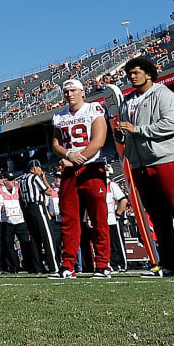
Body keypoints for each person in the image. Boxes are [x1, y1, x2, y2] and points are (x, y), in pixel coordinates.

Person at [114, 56, 174, 278]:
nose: (132, 76)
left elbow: (171, 124)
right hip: (139, 163)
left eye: (136, 72)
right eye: (129, 73)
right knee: (157, 217)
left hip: (167, 159)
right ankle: (170, 262)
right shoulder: (127, 102)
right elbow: (124, 135)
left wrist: (137, 129)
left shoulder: (163, 94)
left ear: (149, 73)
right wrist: (120, 135)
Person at [49, 80, 110, 278]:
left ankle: (103, 264)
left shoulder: (93, 109)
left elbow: (99, 141)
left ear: (82, 92)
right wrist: (68, 155)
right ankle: (68, 265)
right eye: (66, 91)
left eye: (73, 90)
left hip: (92, 168)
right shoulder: (59, 116)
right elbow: (56, 145)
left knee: (98, 217)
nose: (69, 94)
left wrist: (77, 159)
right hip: (70, 170)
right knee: (69, 220)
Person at [19, 160, 59, 276]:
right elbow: (48, 192)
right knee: (47, 237)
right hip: (37, 207)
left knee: (35, 239)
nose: (41, 170)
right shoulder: (35, 178)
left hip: (27, 209)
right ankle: (54, 267)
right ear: (35, 168)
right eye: (40, 168)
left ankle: (38, 267)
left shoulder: (22, 180)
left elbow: (20, 198)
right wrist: (44, 179)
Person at [103, 168, 130, 271]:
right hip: (104, 220)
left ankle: (122, 264)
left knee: (117, 242)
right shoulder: (101, 185)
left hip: (113, 219)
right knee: (107, 243)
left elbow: (123, 199)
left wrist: (118, 214)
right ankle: (112, 263)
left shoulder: (111, 185)